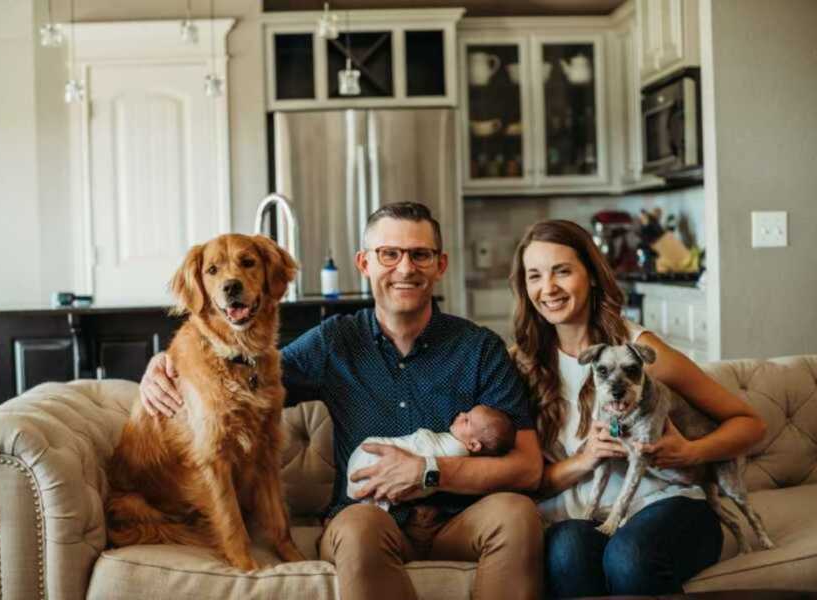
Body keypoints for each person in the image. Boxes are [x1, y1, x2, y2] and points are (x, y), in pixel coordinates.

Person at [140, 202, 545, 600]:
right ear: (364, 263)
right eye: (389, 254)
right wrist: (165, 364)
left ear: (440, 265)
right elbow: (246, 377)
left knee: (516, 513)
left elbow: (527, 468)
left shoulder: (479, 349)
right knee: (357, 530)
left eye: (420, 255)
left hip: (459, 519)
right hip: (366, 518)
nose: (405, 268)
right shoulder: (333, 341)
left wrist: (430, 470)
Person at [507, 219, 766, 598]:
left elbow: (751, 424)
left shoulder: (637, 351)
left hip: (669, 504)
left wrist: (691, 452)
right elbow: (527, 480)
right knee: (567, 554)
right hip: (584, 515)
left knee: (630, 556)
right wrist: (585, 459)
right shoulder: (521, 364)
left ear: (592, 276)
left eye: (562, 271)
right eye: (535, 276)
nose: (548, 288)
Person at [347, 404, 516, 510]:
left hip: (372, 465)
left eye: (467, 420)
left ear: (473, 445)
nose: (460, 414)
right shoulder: (452, 441)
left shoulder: (455, 452)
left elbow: (425, 461)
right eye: (466, 413)